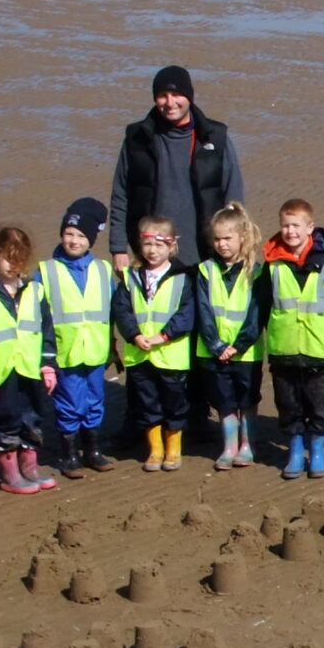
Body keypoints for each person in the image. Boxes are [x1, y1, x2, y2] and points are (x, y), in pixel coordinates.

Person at [108, 64, 244, 272]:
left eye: (176, 94)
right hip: (152, 252)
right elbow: (120, 195)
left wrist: (237, 245)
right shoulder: (137, 138)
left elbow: (234, 198)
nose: (170, 103)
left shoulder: (216, 137)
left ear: (189, 97)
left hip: (206, 253)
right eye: (163, 95)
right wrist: (118, 249)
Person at [258, 200, 324, 480]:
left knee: (319, 405)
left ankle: (317, 450)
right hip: (283, 350)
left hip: (319, 351)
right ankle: (295, 450)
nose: (290, 231)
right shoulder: (272, 267)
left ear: (310, 228)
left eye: (296, 225)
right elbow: (262, 305)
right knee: (289, 404)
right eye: (285, 225)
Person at [0, 227, 56, 496]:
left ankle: (30, 466)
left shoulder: (36, 291)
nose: (14, 265)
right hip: (2, 370)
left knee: (32, 415)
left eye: (20, 259)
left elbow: (46, 330)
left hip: (31, 367)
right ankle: (10, 474)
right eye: (8, 257)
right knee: (5, 417)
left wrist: (47, 364)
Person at [111, 215, 197, 473]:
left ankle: (173, 448)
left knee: (174, 402)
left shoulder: (183, 277)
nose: (153, 250)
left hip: (171, 355)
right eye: (148, 244)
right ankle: (155, 449)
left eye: (160, 245)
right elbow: (122, 310)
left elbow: (187, 313)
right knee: (147, 403)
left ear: (172, 246)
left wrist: (164, 336)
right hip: (140, 354)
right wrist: (134, 336)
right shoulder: (130, 277)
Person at [40, 199, 115, 477]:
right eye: (69, 234)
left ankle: (92, 450)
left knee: (95, 400)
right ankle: (68, 454)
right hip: (65, 352)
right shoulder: (46, 271)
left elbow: (113, 310)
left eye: (81, 236)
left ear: (91, 240)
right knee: (70, 402)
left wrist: (113, 347)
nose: (74, 240)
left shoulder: (103, 270)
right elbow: (39, 316)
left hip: (96, 350)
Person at [195, 203, 266, 471]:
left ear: (242, 238)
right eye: (217, 239)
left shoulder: (256, 272)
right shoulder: (205, 271)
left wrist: (238, 345)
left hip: (246, 353)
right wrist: (216, 345)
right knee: (224, 402)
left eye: (227, 238)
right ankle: (229, 446)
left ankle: (247, 446)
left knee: (247, 400)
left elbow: (256, 314)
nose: (222, 244)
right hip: (214, 352)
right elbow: (202, 312)